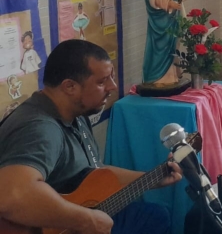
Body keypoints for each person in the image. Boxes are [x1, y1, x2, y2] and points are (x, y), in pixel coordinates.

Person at [0, 40, 182, 234]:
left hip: (77, 215)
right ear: (70, 86)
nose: (113, 86)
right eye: (102, 82)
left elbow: (93, 172)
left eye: (111, 78)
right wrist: (85, 220)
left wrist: (153, 179)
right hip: (64, 224)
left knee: (154, 216)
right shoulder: (40, 129)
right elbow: (11, 196)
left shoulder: (77, 113)